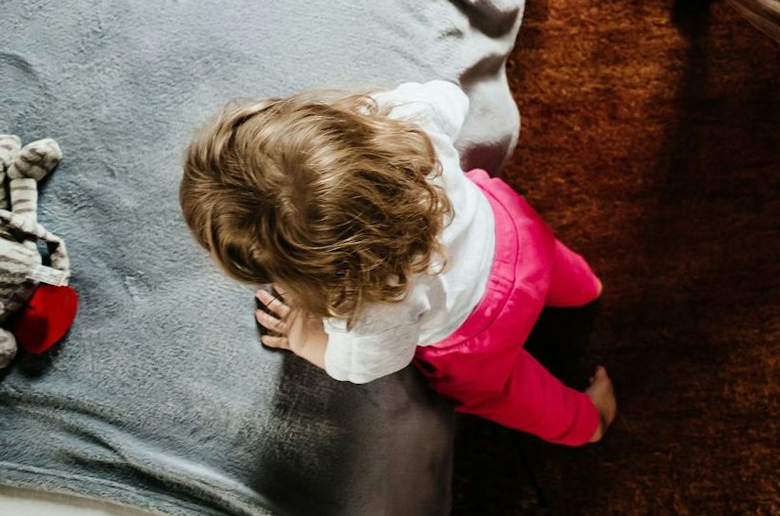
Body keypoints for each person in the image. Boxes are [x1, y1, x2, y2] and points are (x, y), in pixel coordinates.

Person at [180, 80, 617, 446]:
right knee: (556, 266)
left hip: (480, 332)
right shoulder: (406, 119)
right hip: (514, 233)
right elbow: (450, 96)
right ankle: (585, 288)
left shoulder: (370, 304)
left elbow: (365, 364)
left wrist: (303, 337)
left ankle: (587, 423)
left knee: (503, 391)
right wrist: (374, 115)